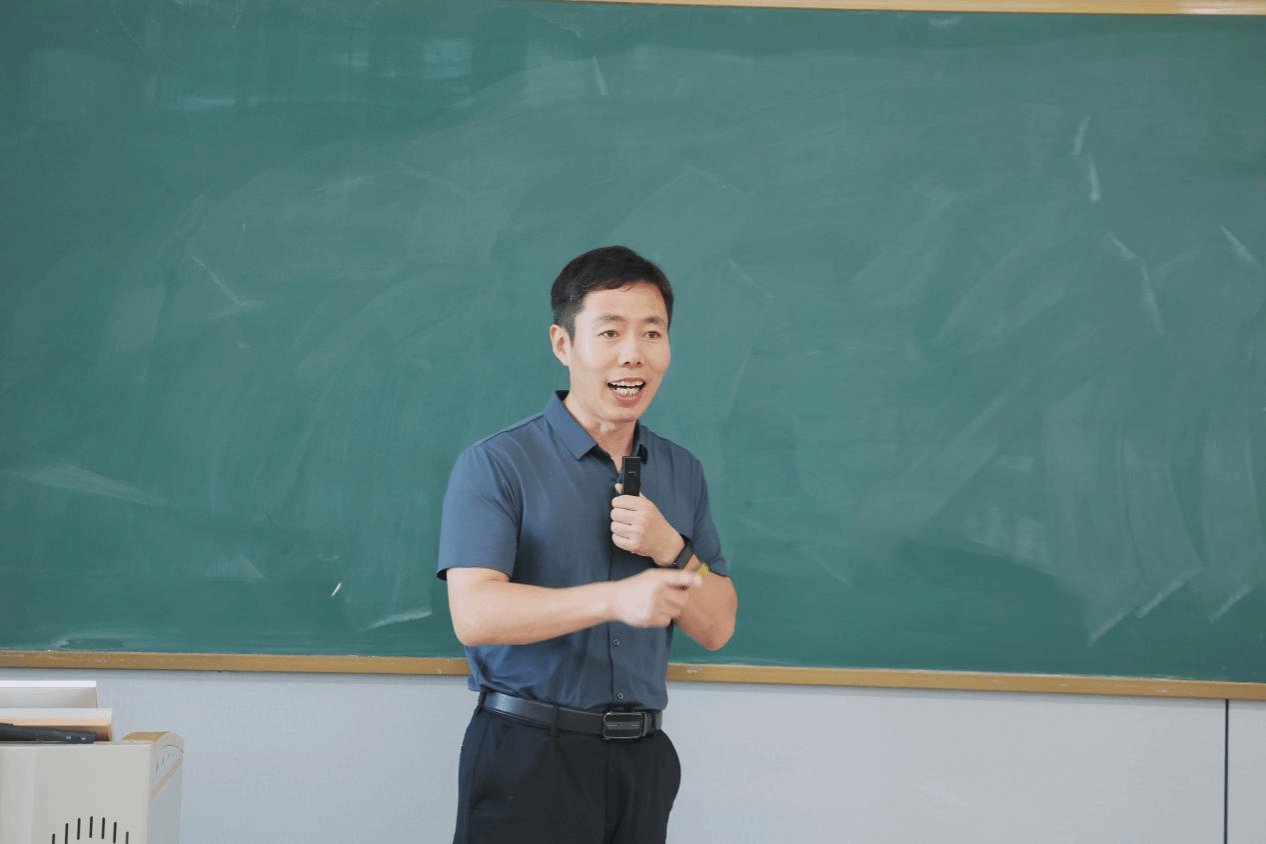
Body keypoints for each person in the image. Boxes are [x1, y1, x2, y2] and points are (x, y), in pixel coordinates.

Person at [437, 245, 738, 844]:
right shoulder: (497, 463)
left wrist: (673, 548)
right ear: (563, 344)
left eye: (652, 333)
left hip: (643, 763)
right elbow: (474, 613)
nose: (633, 354)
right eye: (610, 332)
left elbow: (718, 626)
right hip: (529, 757)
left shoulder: (682, 471)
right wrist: (614, 599)